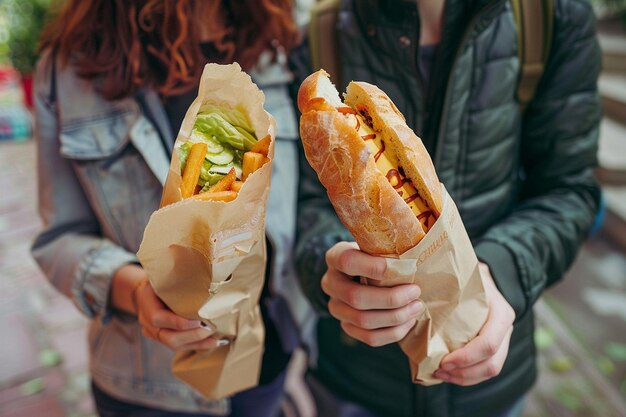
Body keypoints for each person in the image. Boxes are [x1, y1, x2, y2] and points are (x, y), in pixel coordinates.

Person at [294, 0, 601, 416]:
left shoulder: (551, 16)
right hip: (355, 377)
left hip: (490, 376)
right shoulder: (318, 31)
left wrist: (502, 271)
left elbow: (569, 191)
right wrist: (328, 268)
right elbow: (300, 202)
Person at [31, 1, 306, 416]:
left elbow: (310, 201)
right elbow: (58, 240)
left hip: (264, 356)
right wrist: (136, 289)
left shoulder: (278, 38)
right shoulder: (68, 67)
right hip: (147, 385)